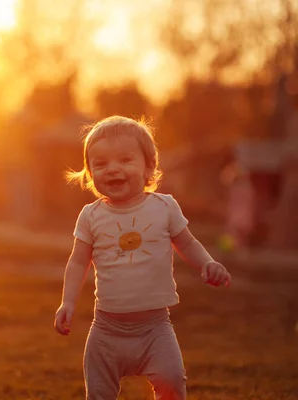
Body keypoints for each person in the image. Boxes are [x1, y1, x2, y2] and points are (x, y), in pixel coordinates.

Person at [53, 116, 232, 400]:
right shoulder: (91, 216)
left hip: (155, 329)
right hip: (106, 330)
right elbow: (77, 261)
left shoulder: (164, 207)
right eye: (100, 164)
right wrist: (68, 302)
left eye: (125, 160)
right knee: (99, 393)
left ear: (149, 167)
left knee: (172, 383)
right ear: (89, 173)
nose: (113, 169)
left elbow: (186, 242)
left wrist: (208, 262)